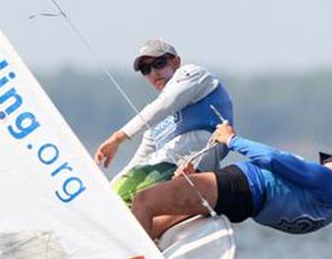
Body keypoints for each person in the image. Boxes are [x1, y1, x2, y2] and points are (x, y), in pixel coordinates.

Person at [131, 122, 332, 239]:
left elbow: (272, 158)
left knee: (143, 201)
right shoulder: (326, 213)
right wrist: (197, 182)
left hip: (239, 187)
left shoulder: (325, 180)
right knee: (153, 227)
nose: (323, 163)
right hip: (240, 207)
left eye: (329, 160)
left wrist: (231, 139)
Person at [94, 39, 234, 205]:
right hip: (165, 164)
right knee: (117, 193)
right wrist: (104, 194)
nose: (153, 73)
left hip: (194, 164)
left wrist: (117, 139)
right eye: (146, 69)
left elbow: (166, 103)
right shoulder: (155, 119)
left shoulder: (194, 74)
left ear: (176, 61)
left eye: (159, 63)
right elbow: (138, 163)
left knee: (137, 197)